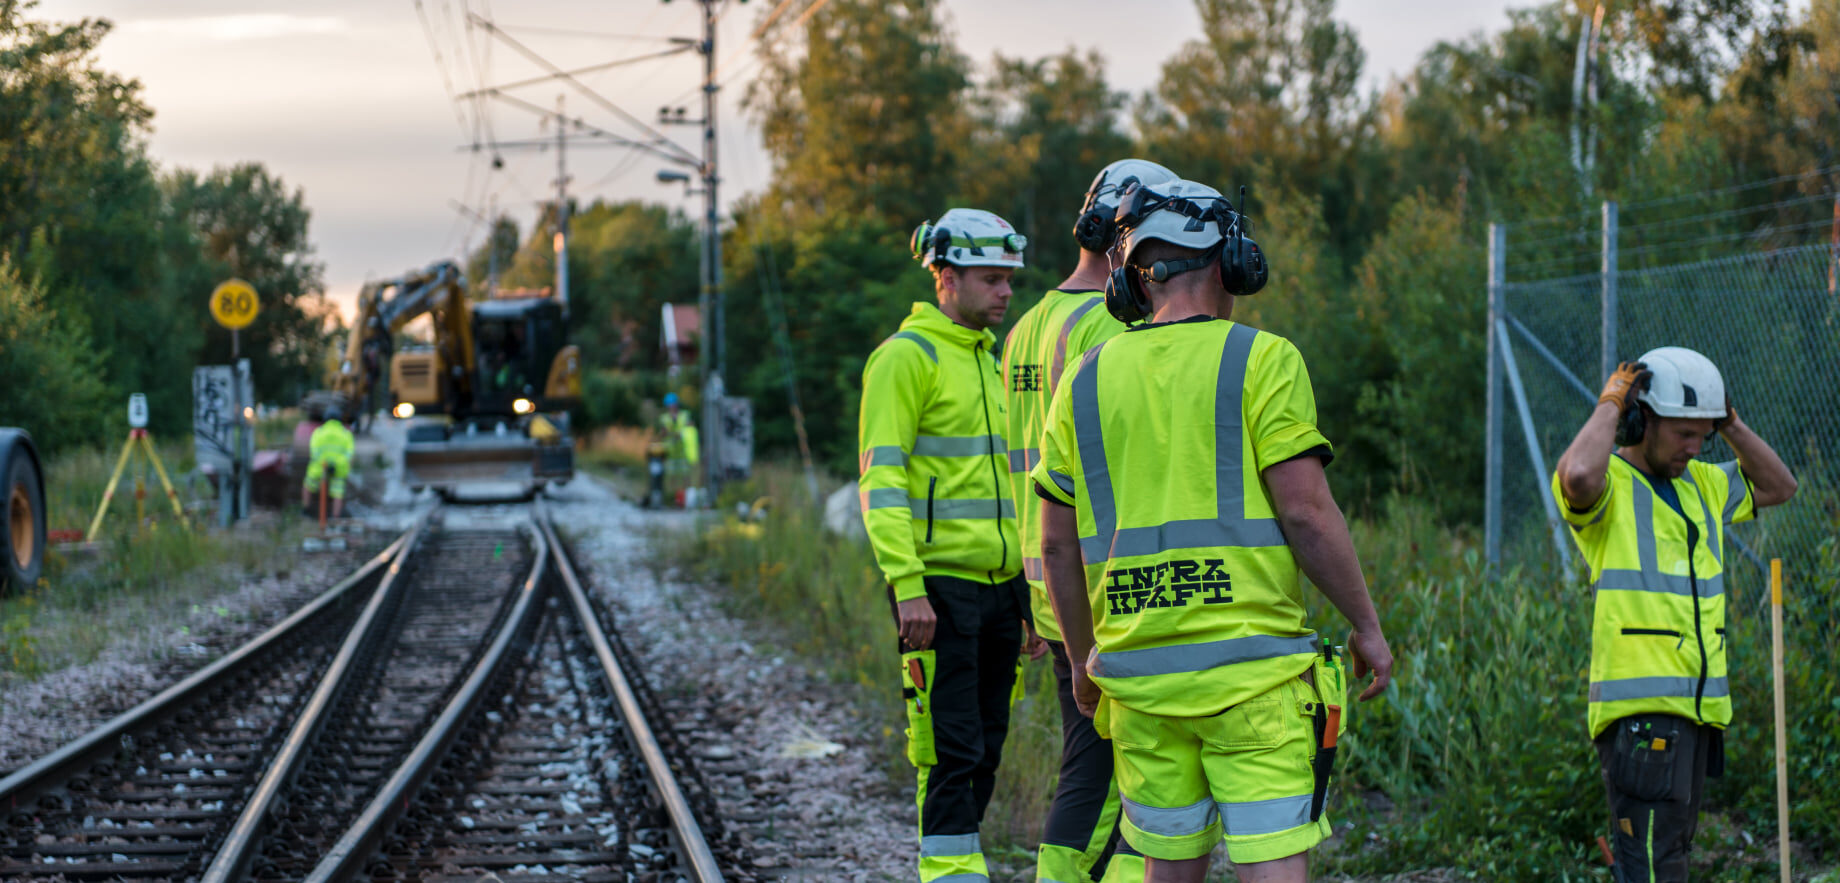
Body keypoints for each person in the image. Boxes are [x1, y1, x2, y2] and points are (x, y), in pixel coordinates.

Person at [1030, 178, 1393, 883]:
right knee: (1272, 865)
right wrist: (1366, 625)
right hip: (1252, 679)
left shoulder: (1083, 378)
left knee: (1166, 868)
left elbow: (1053, 543)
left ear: (1133, 278)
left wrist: (1081, 659)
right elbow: (1306, 512)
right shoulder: (1263, 359)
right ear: (1231, 260)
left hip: (1138, 681)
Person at [1551, 348, 1796, 882]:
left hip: (1695, 713)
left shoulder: (1703, 485)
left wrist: (1729, 423)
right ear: (1644, 421)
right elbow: (1577, 478)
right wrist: (1611, 405)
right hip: (1640, 714)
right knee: (1653, 868)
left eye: (1701, 434)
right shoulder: (1610, 485)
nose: (1694, 446)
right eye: (1682, 433)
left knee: (1668, 859)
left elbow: (1781, 486)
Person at [1003, 157, 1179, 883]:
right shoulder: (1109, 323)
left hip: (1046, 580)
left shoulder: (1025, 327)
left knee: (1093, 762)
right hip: (1102, 586)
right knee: (1127, 782)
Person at [858, 207, 1031, 883]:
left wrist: (1028, 596)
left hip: (999, 589)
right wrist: (906, 583)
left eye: (1009, 280)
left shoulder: (992, 365)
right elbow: (882, 478)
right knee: (950, 747)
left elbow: (1011, 487)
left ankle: (961, 861)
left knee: (986, 745)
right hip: (937, 589)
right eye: (991, 279)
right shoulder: (907, 359)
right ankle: (951, 873)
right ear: (945, 277)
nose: (1005, 293)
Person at [302, 408, 355, 520]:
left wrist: (325, 464)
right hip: (338, 469)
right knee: (337, 493)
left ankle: (305, 510)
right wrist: (335, 465)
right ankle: (335, 517)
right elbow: (348, 454)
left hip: (319, 468)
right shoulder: (346, 434)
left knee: (308, 485)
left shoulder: (319, 432)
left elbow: (314, 452)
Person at [655, 392, 699, 505]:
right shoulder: (664, 418)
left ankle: (685, 499)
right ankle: (674, 500)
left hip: (682, 451)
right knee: (672, 477)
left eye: (673, 404)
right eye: (670, 405)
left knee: (685, 476)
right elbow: (662, 433)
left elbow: (690, 428)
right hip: (670, 452)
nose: (672, 407)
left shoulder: (684, 415)